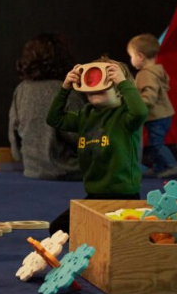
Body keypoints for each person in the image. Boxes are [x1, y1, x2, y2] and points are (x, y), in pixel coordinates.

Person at [46, 57, 148, 234]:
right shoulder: (86, 115)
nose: (94, 93)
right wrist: (65, 88)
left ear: (119, 91)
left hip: (125, 196)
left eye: (102, 90)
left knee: (123, 234)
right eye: (90, 93)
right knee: (59, 228)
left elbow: (141, 112)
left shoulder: (126, 116)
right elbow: (54, 118)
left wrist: (123, 82)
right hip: (94, 196)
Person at [9, 33, 84, 181]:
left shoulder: (21, 89)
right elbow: (80, 135)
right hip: (69, 172)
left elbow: (14, 134)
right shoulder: (65, 91)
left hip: (32, 171)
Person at [127, 33, 177, 179]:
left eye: (131, 56)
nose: (131, 60)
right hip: (162, 116)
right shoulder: (157, 71)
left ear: (140, 56)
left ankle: (172, 166)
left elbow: (150, 94)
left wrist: (139, 105)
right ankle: (158, 168)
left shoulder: (146, 74)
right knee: (154, 143)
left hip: (157, 116)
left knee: (156, 144)